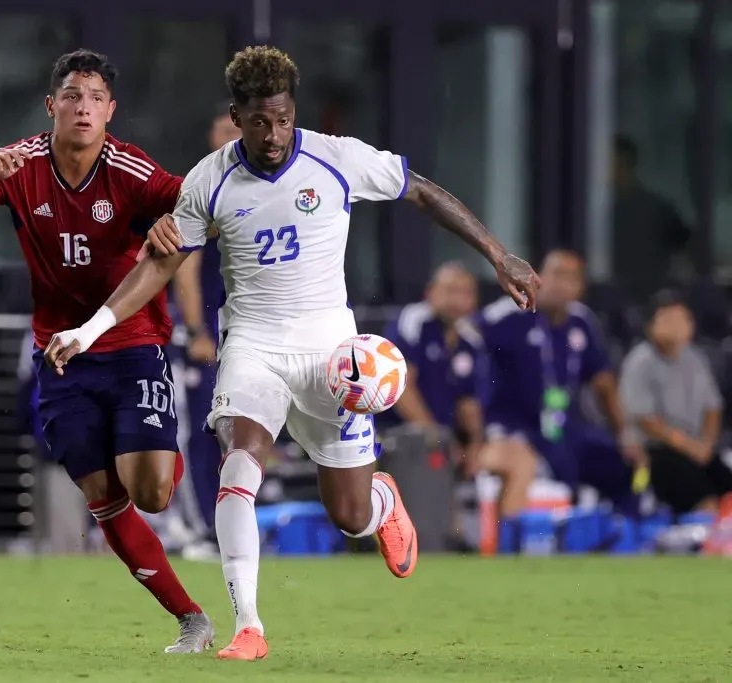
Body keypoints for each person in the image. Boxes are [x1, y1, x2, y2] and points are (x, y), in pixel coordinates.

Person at [47, 46, 540, 659]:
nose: (274, 134)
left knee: (350, 515)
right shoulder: (209, 180)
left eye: (283, 119)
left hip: (332, 357)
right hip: (253, 347)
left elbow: (420, 191)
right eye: (259, 122)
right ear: (238, 118)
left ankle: (381, 502)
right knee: (239, 464)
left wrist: (498, 254)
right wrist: (91, 329)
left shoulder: (336, 158)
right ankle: (248, 627)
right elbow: (162, 264)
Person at [0, 49, 213, 652]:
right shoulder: (18, 164)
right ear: (51, 105)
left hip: (131, 344)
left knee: (152, 493)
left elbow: (198, 207)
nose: (84, 107)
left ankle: (157, 452)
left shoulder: (130, 170)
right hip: (60, 355)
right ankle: (191, 619)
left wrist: (176, 225)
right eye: (73, 96)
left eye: (96, 98)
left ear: (110, 111)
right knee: (104, 496)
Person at [480, 250, 643, 550]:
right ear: (538, 276)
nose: (561, 284)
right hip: (513, 428)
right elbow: (466, 357)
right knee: (521, 463)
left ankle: (625, 540)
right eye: (556, 274)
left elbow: (603, 383)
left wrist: (625, 433)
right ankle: (507, 550)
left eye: (571, 278)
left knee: (625, 463)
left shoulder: (582, 321)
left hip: (562, 429)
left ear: (581, 287)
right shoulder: (505, 315)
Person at [168, 106, 240, 552]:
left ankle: (232, 527)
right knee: (199, 430)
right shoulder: (202, 186)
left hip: (243, 334)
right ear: (212, 135)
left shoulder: (262, 186)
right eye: (226, 128)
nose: (234, 135)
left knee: (238, 433)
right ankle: (200, 528)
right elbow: (186, 266)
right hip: (206, 337)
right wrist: (197, 330)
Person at [619, 290, 732, 515]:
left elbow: (712, 407)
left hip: (695, 448)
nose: (677, 327)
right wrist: (689, 446)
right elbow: (647, 422)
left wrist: (706, 444)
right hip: (655, 452)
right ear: (651, 326)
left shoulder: (695, 358)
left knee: (726, 487)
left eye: (683, 319)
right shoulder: (640, 362)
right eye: (669, 320)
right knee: (703, 499)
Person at [381, 262, 484, 472]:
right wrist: (437, 438)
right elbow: (400, 388)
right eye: (450, 291)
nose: (457, 300)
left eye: (465, 293)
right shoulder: (413, 321)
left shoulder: (470, 339)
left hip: (441, 441)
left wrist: (474, 446)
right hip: (395, 434)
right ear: (430, 292)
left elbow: (468, 403)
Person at [610, 135, 691, 303]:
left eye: (614, 164)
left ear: (626, 163)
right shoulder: (595, 211)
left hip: (651, 299)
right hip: (610, 298)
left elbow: (688, 250)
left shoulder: (657, 208)